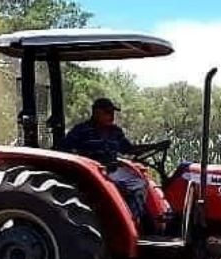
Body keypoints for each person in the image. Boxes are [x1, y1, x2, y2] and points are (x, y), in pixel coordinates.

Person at [56, 97, 166, 231]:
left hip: (112, 170)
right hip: (92, 172)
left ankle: (133, 219)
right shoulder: (82, 130)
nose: (112, 116)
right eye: (108, 112)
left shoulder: (115, 132)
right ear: (96, 112)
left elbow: (129, 149)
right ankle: (127, 225)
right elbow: (63, 148)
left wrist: (154, 146)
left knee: (140, 183)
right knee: (137, 185)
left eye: (113, 112)